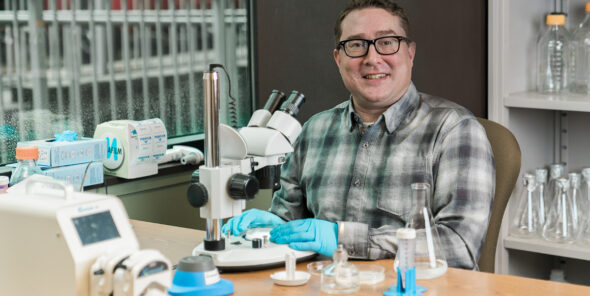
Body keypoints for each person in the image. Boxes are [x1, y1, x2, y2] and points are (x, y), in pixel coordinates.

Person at [223, 0, 495, 270]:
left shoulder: (454, 131)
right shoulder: (314, 131)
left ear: (410, 54)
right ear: (338, 59)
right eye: (356, 45)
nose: (372, 58)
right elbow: (292, 226)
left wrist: (342, 238)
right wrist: (274, 228)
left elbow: (459, 246)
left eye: (387, 42)